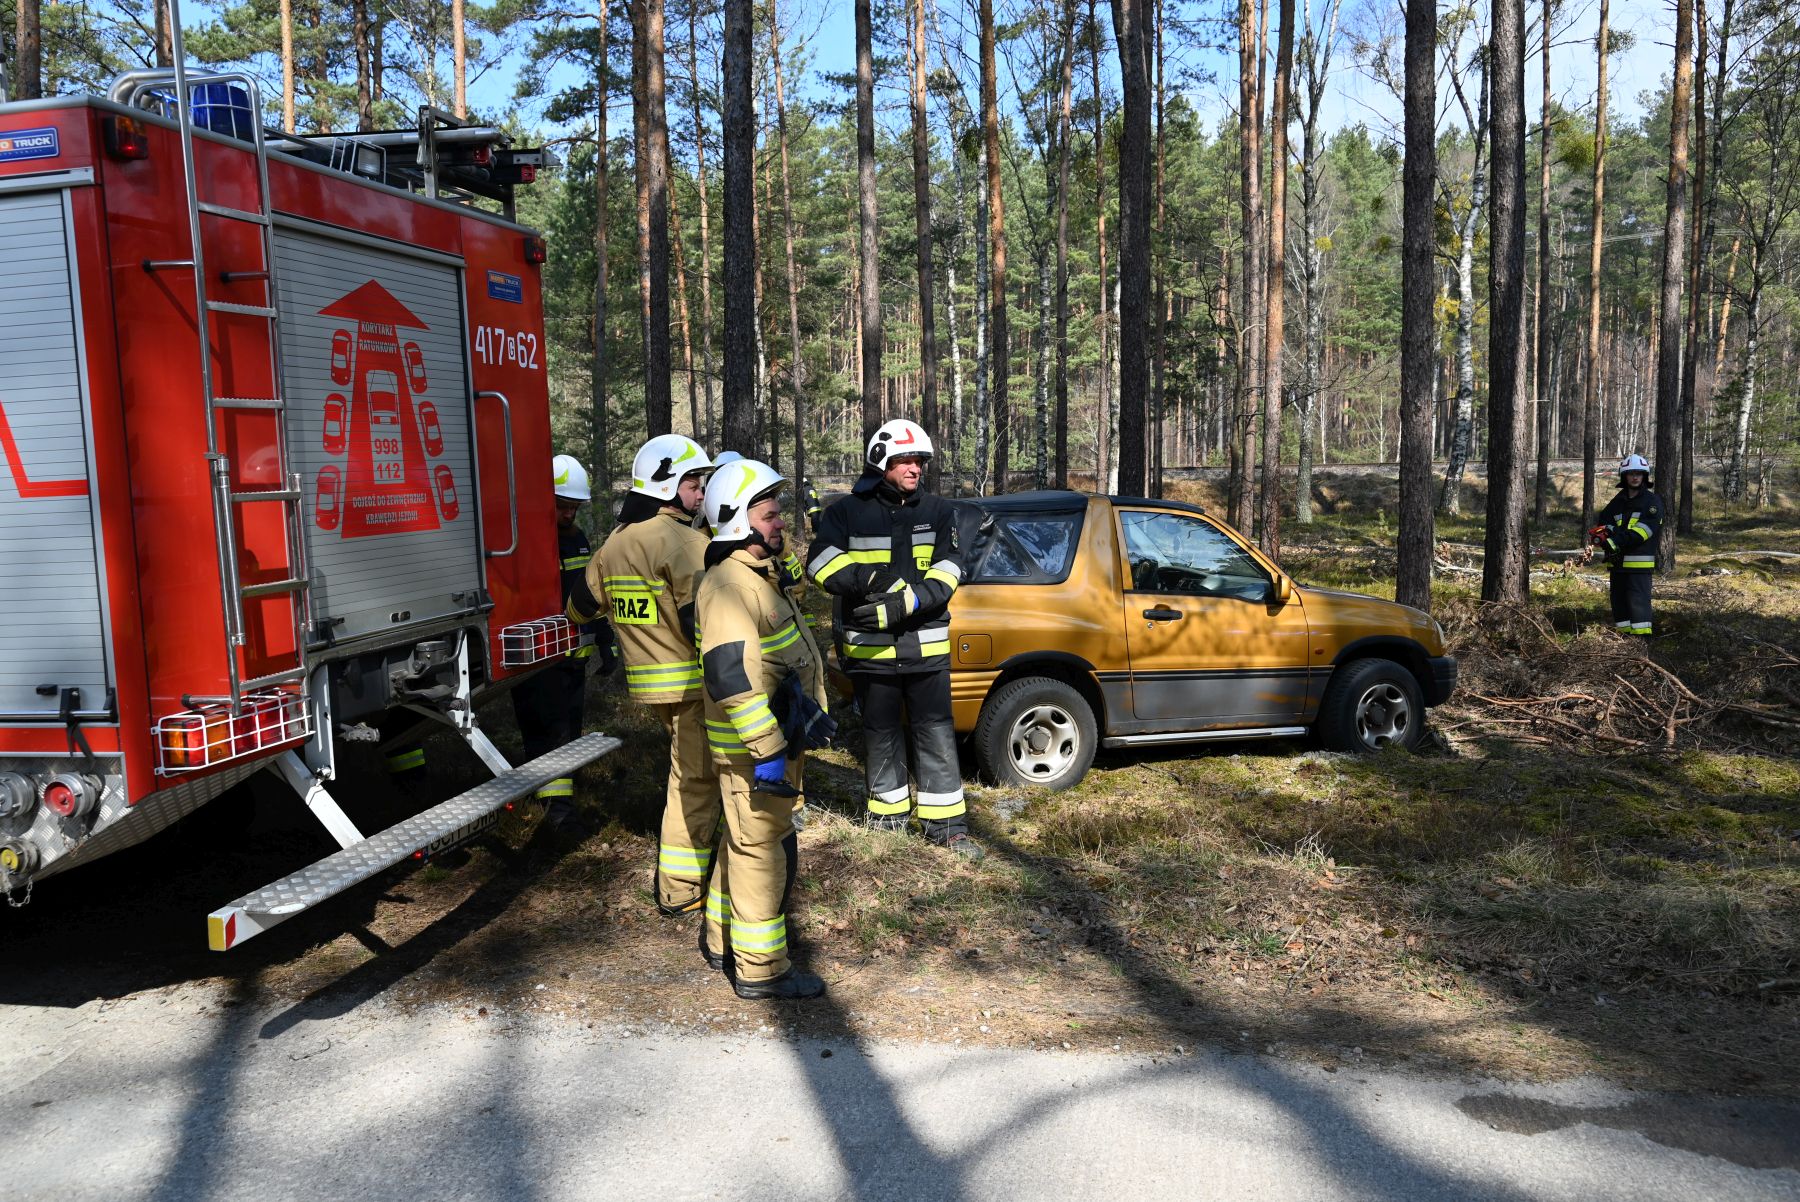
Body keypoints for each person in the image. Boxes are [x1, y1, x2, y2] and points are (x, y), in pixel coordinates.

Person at [807, 418, 982, 860]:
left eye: (920, 461)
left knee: (936, 735)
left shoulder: (939, 512)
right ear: (880, 462)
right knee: (880, 734)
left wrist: (906, 603)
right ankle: (888, 824)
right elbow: (820, 563)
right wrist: (869, 579)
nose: (915, 468)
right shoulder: (845, 513)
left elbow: (949, 571)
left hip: (926, 649)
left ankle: (948, 828)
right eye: (906, 460)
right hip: (872, 652)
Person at [696, 458, 831, 999]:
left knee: (743, 843)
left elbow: (774, 662)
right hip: (753, 752)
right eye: (770, 516)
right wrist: (768, 749)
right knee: (760, 853)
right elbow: (731, 677)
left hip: (770, 743)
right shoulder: (729, 585)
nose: (780, 524)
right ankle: (762, 969)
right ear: (738, 522)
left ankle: (720, 941)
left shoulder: (757, 577)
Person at [567, 434, 719, 914]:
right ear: (667, 486)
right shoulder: (687, 543)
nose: (701, 493)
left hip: (650, 687)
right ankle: (680, 890)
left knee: (687, 774)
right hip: (693, 685)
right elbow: (707, 625)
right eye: (694, 484)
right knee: (693, 782)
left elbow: (579, 608)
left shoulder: (614, 544)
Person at [512, 454, 617, 828]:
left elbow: (589, 594)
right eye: (562, 506)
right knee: (548, 728)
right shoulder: (526, 543)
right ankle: (559, 812)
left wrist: (605, 641)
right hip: (539, 657)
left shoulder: (578, 540)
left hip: (573, 656)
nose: (569, 514)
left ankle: (551, 793)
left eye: (575, 507)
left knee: (569, 727)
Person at [1584, 453, 1664, 636]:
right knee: (1620, 608)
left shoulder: (1652, 502)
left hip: (1638, 567)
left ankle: (1642, 645)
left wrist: (1614, 540)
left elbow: (1642, 532)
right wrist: (1603, 535)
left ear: (1644, 476)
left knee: (1639, 609)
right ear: (1624, 476)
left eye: (1639, 473)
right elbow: (1604, 524)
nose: (1635, 477)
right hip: (1617, 565)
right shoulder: (1617, 502)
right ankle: (1625, 643)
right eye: (1631, 473)